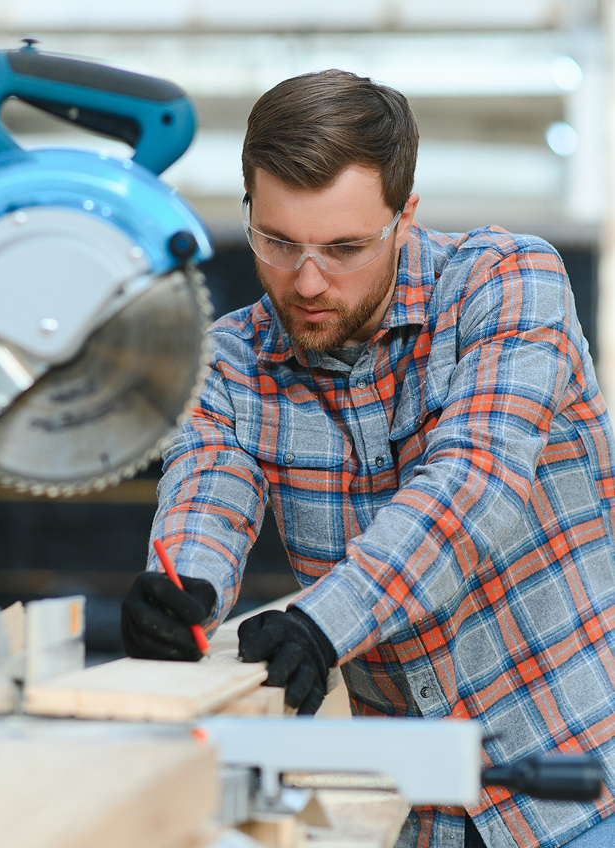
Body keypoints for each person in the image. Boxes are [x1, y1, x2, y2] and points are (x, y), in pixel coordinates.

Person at [120, 70, 615, 848]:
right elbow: (208, 492)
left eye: (344, 247)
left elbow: (471, 485)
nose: (307, 282)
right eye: (278, 242)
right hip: (415, 815)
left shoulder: (510, 284)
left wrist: (320, 626)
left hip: (579, 790)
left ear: (404, 217)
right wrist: (183, 592)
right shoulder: (227, 364)